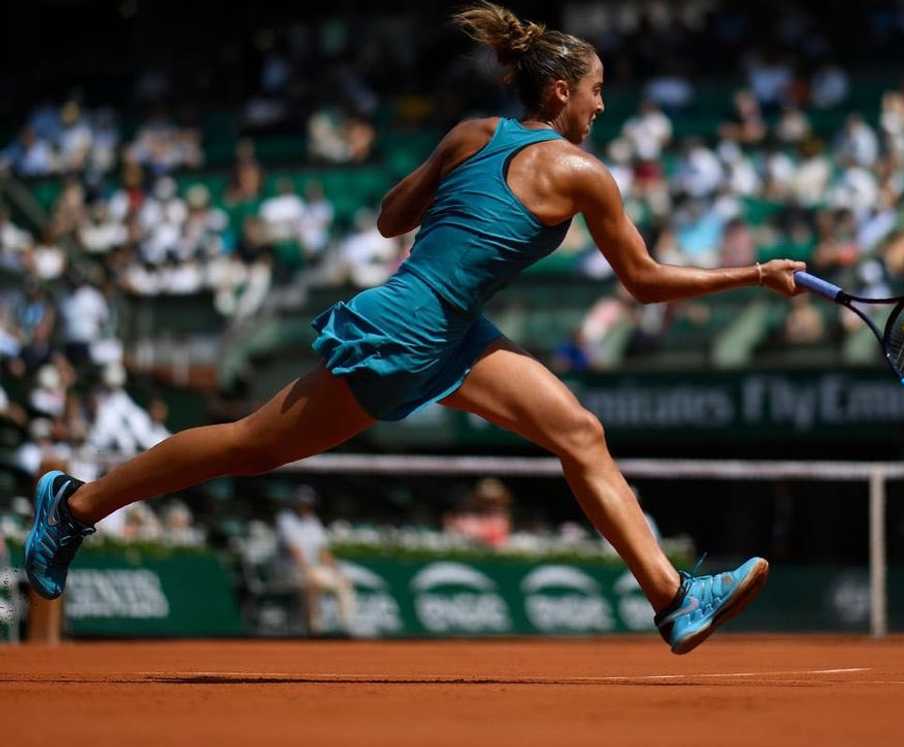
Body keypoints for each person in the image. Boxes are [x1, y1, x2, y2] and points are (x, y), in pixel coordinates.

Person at [23, 1, 805, 656]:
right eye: (597, 91)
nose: (602, 106)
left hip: (454, 329)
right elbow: (642, 279)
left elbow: (390, 214)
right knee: (249, 444)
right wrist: (754, 274)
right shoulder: (580, 172)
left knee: (578, 430)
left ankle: (672, 598)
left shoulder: (472, 134)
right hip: (409, 327)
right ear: (561, 89)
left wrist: (458, 194)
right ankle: (75, 507)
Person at [276, 485, 357, 635]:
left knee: (343, 581)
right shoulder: (285, 519)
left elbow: (323, 551)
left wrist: (335, 569)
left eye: (308, 503)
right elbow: (295, 551)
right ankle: (314, 629)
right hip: (289, 570)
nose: (305, 506)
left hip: (312, 570)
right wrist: (307, 569)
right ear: (295, 503)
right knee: (312, 581)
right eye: (302, 503)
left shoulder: (313, 521)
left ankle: (347, 626)